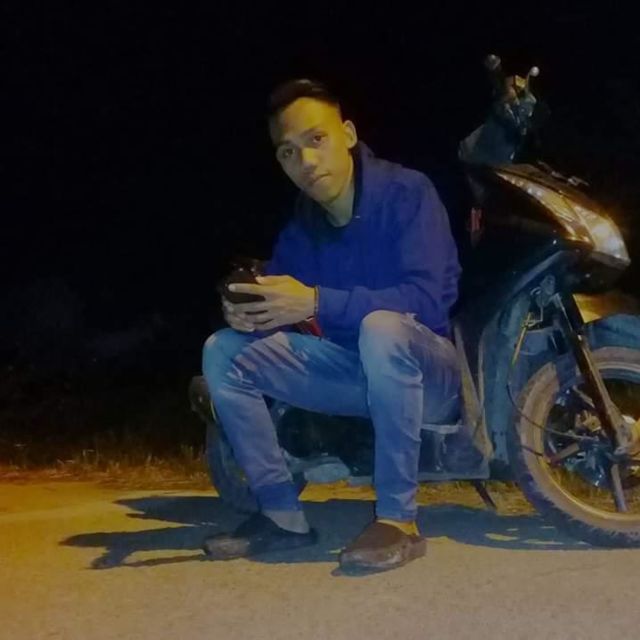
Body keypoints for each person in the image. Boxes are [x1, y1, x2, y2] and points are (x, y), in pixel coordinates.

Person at [201, 79, 461, 573]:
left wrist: (317, 301)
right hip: (352, 377)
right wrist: (251, 316)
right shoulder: (299, 232)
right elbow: (284, 315)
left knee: (382, 329)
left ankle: (398, 520)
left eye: (316, 139)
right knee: (223, 350)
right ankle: (281, 516)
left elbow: (429, 301)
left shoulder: (408, 194)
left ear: (348, 134)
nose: (305, 161)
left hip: (429, 377)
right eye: (288, 152)